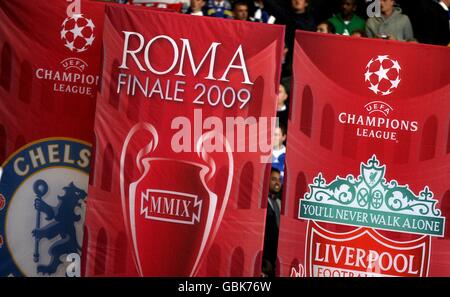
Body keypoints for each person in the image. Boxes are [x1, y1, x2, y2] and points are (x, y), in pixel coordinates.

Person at [262, 167, 282, 277]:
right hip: (264, 258)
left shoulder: (279, 203)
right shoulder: (262, 201)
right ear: (267, 180)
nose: (278, 183)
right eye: (274, 179)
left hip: (275, 257)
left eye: (279, 180)